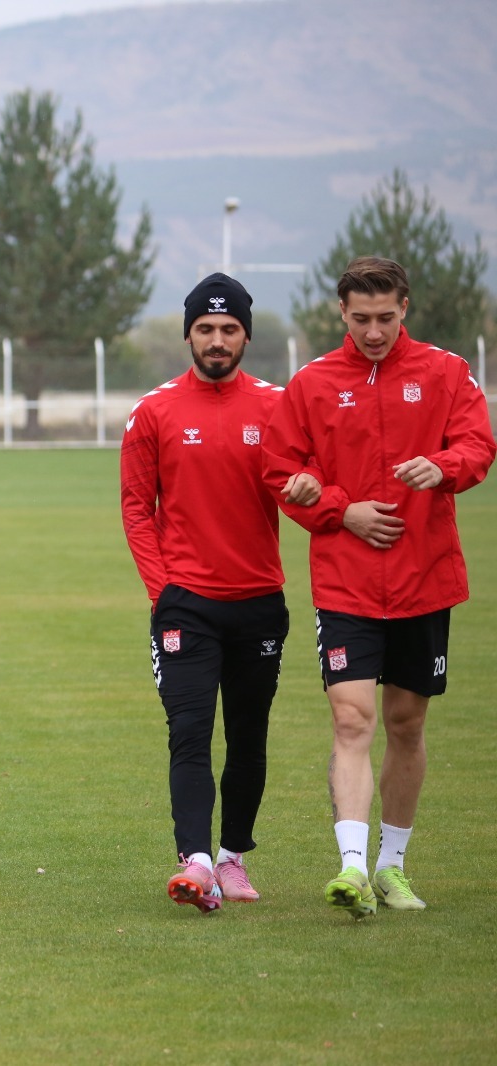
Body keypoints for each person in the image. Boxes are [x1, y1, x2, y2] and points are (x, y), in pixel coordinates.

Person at [263, 256, 495, 918]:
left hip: (425, 580)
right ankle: (352, 868)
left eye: (385, 319)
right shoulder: (310, 384)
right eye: (360, 319)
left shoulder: (447, 373)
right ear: (341, 313)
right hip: (346, 585)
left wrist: (443, 466)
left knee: (406, 721)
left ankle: (393, 867)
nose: (373, 331)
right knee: (351, 716)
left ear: (405, 310)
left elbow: (479, 447)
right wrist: (336, 506)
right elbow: (282, 471)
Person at [120, 273, 314, 914]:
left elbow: (303, 493)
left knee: (250, 735)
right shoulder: (154, 411)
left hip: (259, 599)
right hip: (185, 605)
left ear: (246, 336)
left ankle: (232, 857)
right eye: (205, 328)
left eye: (229, 329)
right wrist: (162, 589)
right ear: (188, 335)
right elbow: (136, 508)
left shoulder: (277, 407)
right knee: (190, 732)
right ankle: (196, 863)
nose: (217, 340)